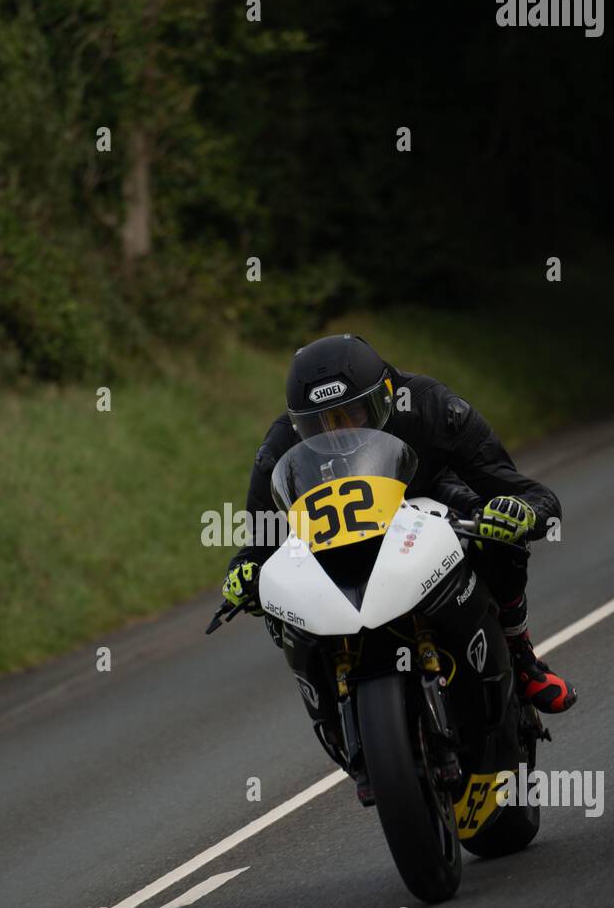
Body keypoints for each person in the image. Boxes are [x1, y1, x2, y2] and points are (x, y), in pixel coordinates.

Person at [222, 334, 577, 786]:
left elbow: (523, 490)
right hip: (340, 545)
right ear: (299, 423)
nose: (337, 432)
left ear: (386, 396)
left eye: (352, 414)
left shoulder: (430, 405)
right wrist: (245, 570)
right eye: (320, 423)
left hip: (431, 501)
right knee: (275, 597)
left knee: (496, 531)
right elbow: (261, 540)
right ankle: (332, 707)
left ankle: (520, 653)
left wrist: (520, 510)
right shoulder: (279, 446)